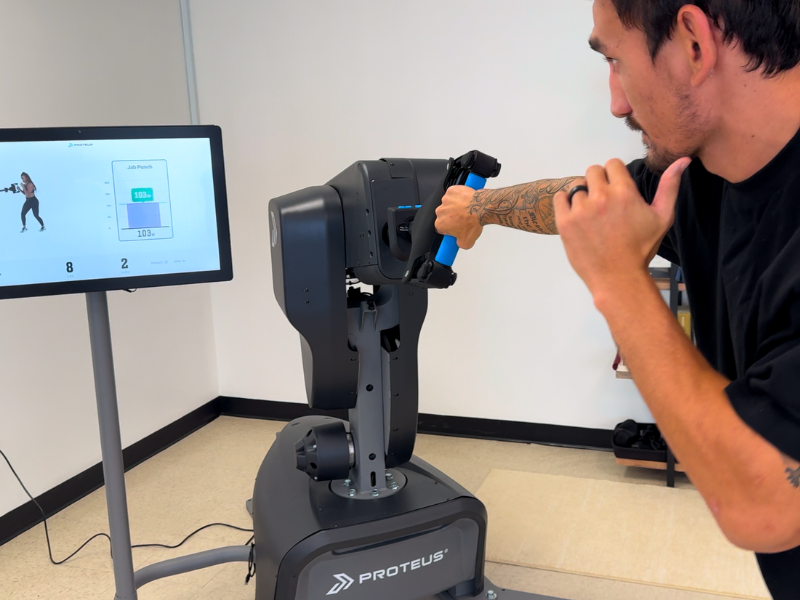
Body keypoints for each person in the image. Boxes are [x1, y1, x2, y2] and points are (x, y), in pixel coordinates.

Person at [434, 1, 800, 598]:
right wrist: (481, 208)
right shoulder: (704, 172)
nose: (617, 103)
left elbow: (765, 504)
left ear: (693, 43)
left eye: (615, 62)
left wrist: (618, 282)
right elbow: (588, 199)